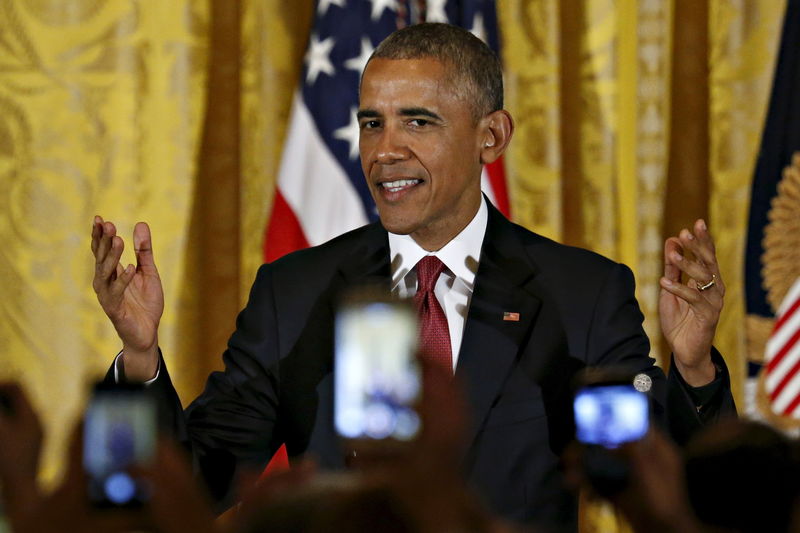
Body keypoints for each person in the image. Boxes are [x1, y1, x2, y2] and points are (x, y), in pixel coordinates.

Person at [90, 23, 734, 531]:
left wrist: (694, 367)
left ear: (492, 136)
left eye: (417, 121)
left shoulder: (580, 293)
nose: (384, 151)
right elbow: (192, 489)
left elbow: (666, 487)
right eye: (372, 122)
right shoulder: (295, 292)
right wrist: (141, 359)